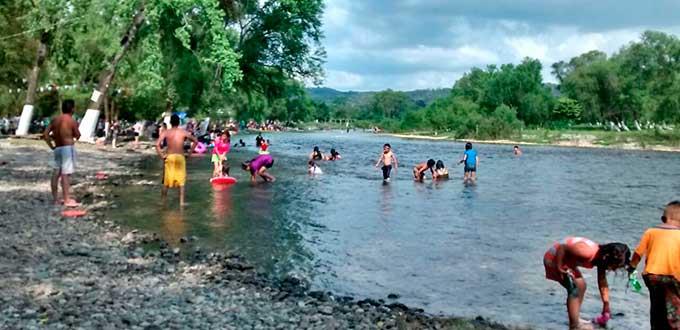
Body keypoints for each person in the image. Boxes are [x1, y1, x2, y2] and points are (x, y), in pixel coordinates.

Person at [543, 237, 631, 330]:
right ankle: (574, 325)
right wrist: (559, 267)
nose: (613, 269)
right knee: (574, 289)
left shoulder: (601, 259)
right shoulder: (587, 252)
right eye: (614, 266)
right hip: (554, 258)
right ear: (607, 257)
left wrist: (606, 304)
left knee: (582, 286)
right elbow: (563, 248)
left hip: (566, 260)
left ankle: (575, 319)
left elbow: (602, 282)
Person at [627, 201, 680, 330]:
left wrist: (631, 270)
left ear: (663, 219)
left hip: (652, 277)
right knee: (674, 311)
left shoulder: (650, 232)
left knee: (657, 307)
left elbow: (638, 254)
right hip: (672, 278)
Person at [43, 99, 81, 207]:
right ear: (72, 108)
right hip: (67, 148)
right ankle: (67, 199)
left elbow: (45, 134)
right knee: (65, 174)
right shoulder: (71, 120)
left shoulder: (55, 120)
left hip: (58, 148)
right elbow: (77, 135)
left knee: (56, 173)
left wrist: (52, 146)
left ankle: (55, 199)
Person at [155, 114, 197, 206]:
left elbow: (157, 144)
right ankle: (181, 203)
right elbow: (195, 141)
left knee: (166, 181)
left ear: (170, 122)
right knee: (181, 181)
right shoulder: (183, 132)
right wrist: (189, 153)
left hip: (170, 157)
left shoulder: (166, 132)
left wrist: (162, 156)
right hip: (180, 157)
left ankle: (163, 202)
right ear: (179, 122)